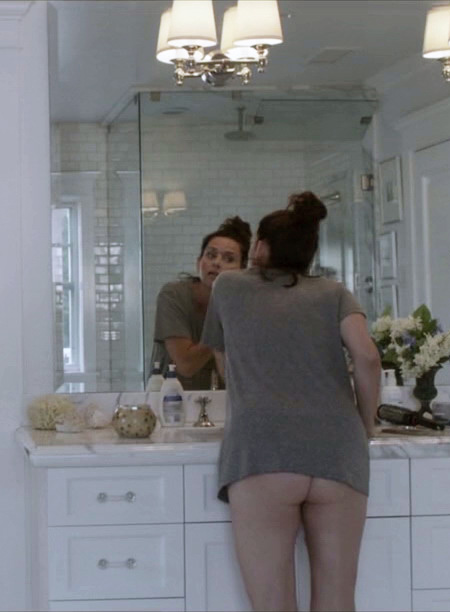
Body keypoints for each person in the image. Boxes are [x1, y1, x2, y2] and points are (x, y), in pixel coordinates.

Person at [201, 192, 382, 611]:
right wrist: (365, 423)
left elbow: (222, 355)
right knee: (338, 599)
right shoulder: (334, 293)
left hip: (263, 453)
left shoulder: (229, 286)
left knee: (272, 603)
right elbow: (368, 357)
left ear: (260, 247)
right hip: (338, 453)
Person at [152, 216, 251, 390]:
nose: (216, 263)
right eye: (211, 255)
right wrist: (221, 322)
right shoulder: (174, 295)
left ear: (242, 271)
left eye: (228, 259)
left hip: (225, 398)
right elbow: (186, 365)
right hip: (174, 399)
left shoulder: (247, 304)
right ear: (199, 262)